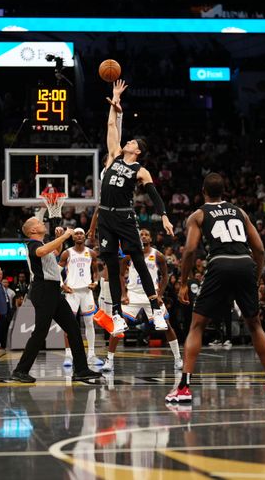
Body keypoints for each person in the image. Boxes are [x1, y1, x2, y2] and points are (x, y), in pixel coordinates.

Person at [167, 173, 265, 404]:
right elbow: (259, 249)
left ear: (203, 191)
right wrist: (256, 277)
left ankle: (184, 387)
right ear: (224, 191)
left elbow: (190, 250)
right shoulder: (240, 212)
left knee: (197, 325)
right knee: (254, 324)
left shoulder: (199, 214)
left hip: (219, 263)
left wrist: (182, 283)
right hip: (245, 263)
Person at [98, 80, 175, 337]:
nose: (127, 141)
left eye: (131, 141)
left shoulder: (140, 170)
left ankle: (155, 307)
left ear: (138, 150)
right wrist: (115, 99)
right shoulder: (113, 156)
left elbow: (154, 194)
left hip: (124, 216)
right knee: (110, 264)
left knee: (139, 261)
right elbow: (111, 126)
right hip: (106, 216)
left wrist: (164, 215)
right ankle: (117, 315)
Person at [10, 217, 102, 383]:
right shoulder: (32, 244)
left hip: (53, 290)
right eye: (38, 223)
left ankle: (81, 369)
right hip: (43, 290)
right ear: (32, 231)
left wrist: (58, 239)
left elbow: (55, 252)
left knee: (73, 327)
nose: (42, 224)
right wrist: (64, 236)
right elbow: (42, 252)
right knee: (40, 332)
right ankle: (20, 370)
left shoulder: (44, 245)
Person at [105, 229, 182, 373]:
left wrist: (159, 295)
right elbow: (121, 275)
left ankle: (178, 358)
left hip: (151, 296)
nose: (144, 236)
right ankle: (109, 360)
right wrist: (124, 294)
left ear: (151, 238)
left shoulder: (157, 255)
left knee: (167, 326)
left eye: (146, 234)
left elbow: (165, 276)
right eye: (141, 235)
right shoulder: (129, 256)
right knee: (118, 327)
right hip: (133, 294)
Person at [58, 227, 102, 367]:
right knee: (68, 325)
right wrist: (61, 285)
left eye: (81, 233)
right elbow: (56, 271)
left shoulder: (92, 253)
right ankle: (68, 355)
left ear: (85, 237)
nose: (78, 236)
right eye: (76, 234)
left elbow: (96, 271)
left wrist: (95, 282)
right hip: (72, 293)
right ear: (73, 237)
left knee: (89, 323)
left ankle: (91, 355)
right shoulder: (67, 253)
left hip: (87, 292)